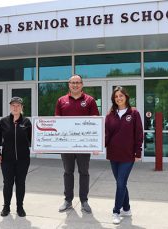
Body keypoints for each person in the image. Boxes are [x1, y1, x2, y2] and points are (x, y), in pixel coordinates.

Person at [55, 74, 100, 214]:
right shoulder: (61, 100)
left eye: (78, 82)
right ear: (69, 84)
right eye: (72, 82)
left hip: (83, 145)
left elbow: (95, 122)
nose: (75, 85)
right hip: (67, 145)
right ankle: (68, 200)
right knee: (68, 172)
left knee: (84, 172)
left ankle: (84, 201)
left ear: (82, 84)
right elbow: (57, 122)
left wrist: (95, 144)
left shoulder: (90, 100)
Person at [105, 86, 143, 224]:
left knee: (121, 183)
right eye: (116, 97)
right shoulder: (110, 115)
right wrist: (97, 146)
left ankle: (116, 211)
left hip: (128, 155)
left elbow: (138, 134)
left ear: (126, 97)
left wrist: (138, 152)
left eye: (121, 96)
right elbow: (106, 134)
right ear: (113, 99)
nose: (119, 98)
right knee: (121, 183)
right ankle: (126, 209)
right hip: (113, 154)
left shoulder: (134, 113)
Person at [0, 96, 32, 217]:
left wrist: (41, 146)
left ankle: (20, 207)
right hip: (7, 160)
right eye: (13, 105)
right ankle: (6, 207)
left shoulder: (26, 122)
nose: (15, 107)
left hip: (23, 159)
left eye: (18, 105)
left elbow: (33, 139)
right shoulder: (3, 121)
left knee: (20, 183)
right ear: (10, 107)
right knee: (8, 183)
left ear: (21, 107)